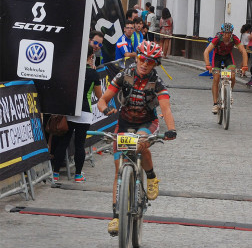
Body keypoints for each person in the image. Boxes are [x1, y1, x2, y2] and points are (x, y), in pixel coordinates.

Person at [97, 40, 177, 235]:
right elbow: (103, 99)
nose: (144, 64)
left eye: (150, 62)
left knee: (141, 143)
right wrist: (106, 109)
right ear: (137, 57)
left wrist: (171, 129)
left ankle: (151, 177)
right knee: (118, 172)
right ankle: (116, 217)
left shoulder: (157, 83)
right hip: (124, 123)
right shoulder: (124, 75)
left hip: (147, 123)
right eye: (142, 59)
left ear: (155, 64)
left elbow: (165, 108)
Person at [53, 45, 102, 182]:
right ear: (91, 56)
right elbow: (99, 96)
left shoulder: (71, 69)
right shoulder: (93, 74)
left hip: (69, 109)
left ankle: (55, 174)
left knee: (63, 142)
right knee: (80, 144)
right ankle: (78, 175)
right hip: (85, 112)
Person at [204, 23, 248, 114]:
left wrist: (245, 66)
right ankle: (215, 104)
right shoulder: (217, 38)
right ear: (222, 33)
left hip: (228, 57)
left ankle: (229, 93)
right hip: (217, 57)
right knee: (216, 78)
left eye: (229, 33)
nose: (227, 35)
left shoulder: (234, 38)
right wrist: (208, 65)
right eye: (225, 33)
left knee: (232, 76)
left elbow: (243, 51)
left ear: (231, 33)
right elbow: (206, 51)